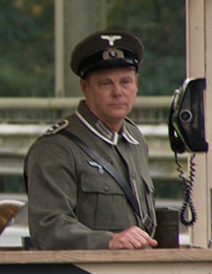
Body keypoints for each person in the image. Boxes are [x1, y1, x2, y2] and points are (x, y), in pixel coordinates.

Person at [24, 29, 158, 250]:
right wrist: (109, 241)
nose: (118, 92)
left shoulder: (135, 140)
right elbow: (48, 227)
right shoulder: (56, 148)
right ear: (85, 88)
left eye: (126, 82)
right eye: (106, 84)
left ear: (136, 84)